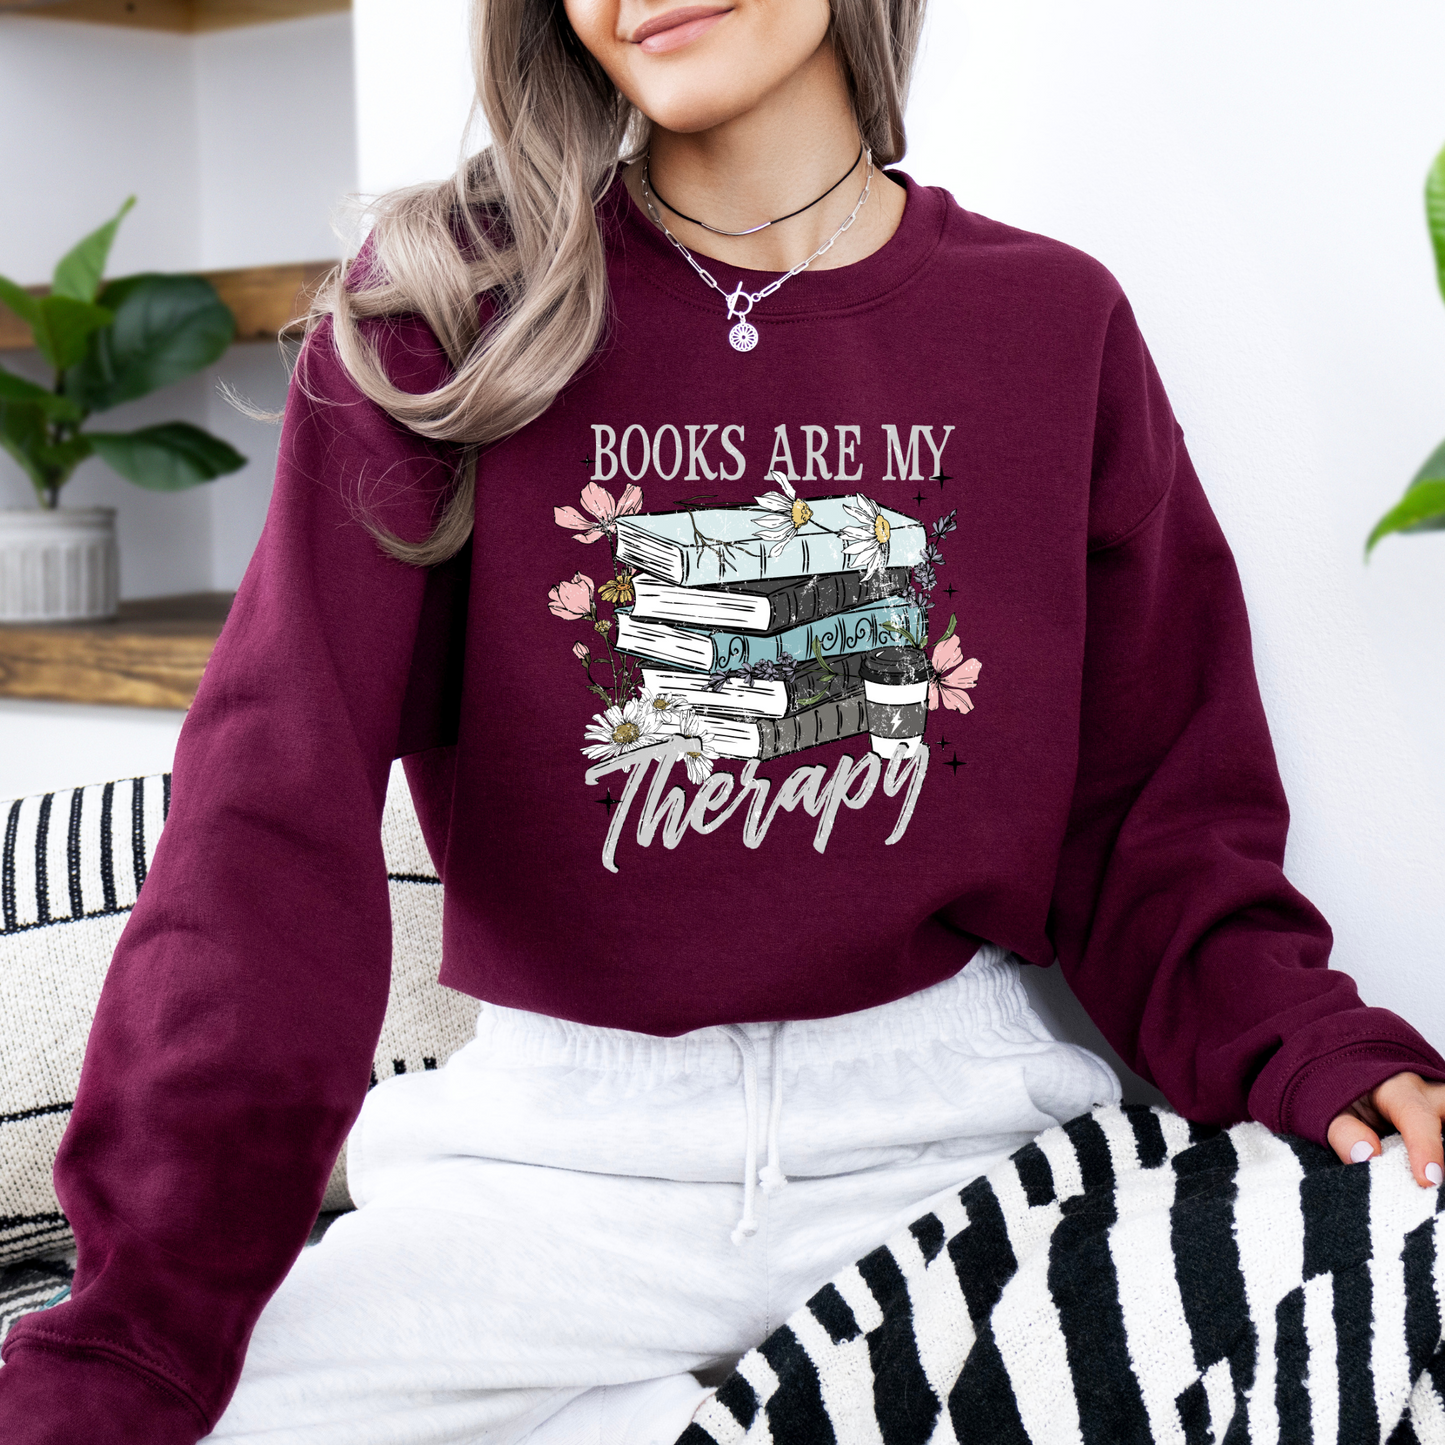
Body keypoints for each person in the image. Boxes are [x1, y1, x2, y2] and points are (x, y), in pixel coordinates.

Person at [3, 1, 1444, 1442]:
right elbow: (269, 809)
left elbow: (1154, 817)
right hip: (548, 1175)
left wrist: (1306, 1041)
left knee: (1391, 1280)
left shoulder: (1052, 324)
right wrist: (137, 1326)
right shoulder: (448, 312)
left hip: (951, 1148)